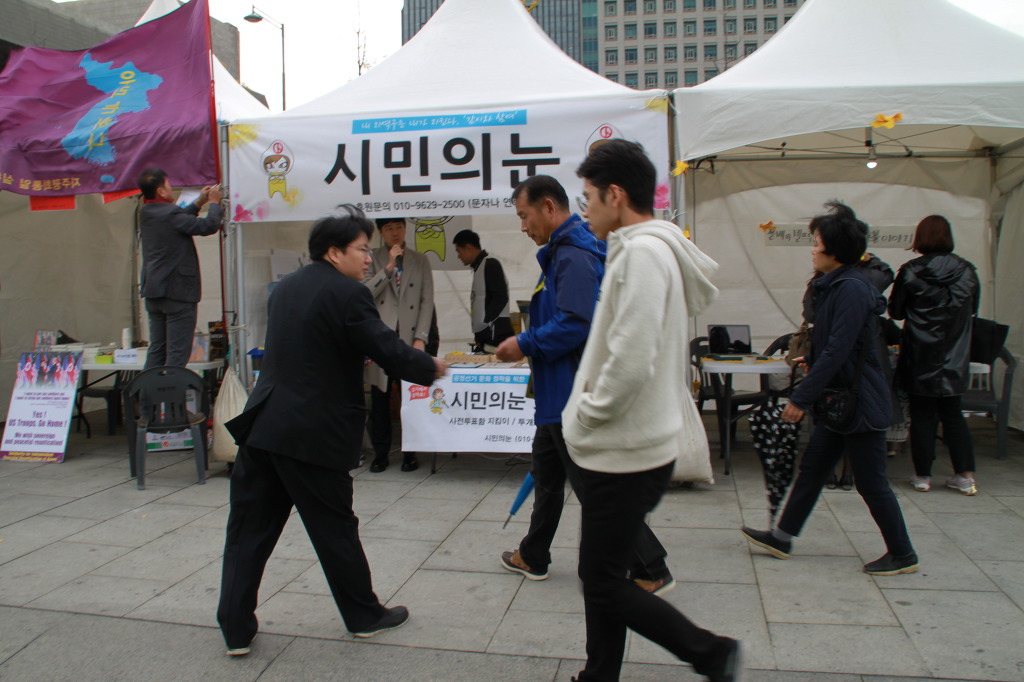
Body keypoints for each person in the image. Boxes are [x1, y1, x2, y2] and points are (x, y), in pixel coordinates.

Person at [217, 206, 446, 656]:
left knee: (248, 530)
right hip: (311, 433)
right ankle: (364, 615)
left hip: (264, 426)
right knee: (335, 529)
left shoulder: (286, 289)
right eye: (361, 249)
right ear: (334, 252)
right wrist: (430, 366)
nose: (368, 258)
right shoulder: (348, 294)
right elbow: (385, 347)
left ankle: (235, 627)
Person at [562, 140, 739, 682]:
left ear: (615, 195)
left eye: (588, 197)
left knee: (601, 581)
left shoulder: (643, 254)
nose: (584, 209)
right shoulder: (643, 249)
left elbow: (631, 358)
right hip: (632, 444)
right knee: (605, 574)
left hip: (624, 447)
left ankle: (710, 652)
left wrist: (587, 413)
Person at [496, 174, 673, 594]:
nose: (523, 227)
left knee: (595, 489)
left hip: (569, 394)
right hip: (555, 394)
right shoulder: (562, 251)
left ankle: (650, 566)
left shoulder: (573, 254)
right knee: (546, 476)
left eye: (524, 215)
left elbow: (576, 324)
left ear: (548, 207)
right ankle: (533, 554)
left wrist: (524, 343)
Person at [742, 201, 918, 578]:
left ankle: (903, 553)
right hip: (840, 403)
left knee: (871, 483)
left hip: (860, 403)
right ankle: (782, 537)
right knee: (812, 469)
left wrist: (801, 398)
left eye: (817, 243)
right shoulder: (838, 286)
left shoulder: (851, 288)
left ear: (834, 251)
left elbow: (840, 349)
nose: (812, 250)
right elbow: (840, 345)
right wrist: (811, 358)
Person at [888, 215, 980, 495]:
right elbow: (973, 309)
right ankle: (965, 476)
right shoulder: (967, 271)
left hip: (919, 353)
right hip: (955, 354)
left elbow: (896, 312)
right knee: (954, 415)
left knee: (922, 416)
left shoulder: (910, 271)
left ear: (920, 238)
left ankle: (922, 476)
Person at [363, 217, 436, 473]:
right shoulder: (371, 257)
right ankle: (381, 453)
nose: (395, 233)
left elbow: (427, 301)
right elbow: (364, 293)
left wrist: (421, 337)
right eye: (388, 228)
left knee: (410, 400)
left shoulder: (420, 259)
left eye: (399, 227)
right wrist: (388, 268)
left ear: (405, 229)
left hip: (409, 337)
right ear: (381, 232)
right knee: (380, 400)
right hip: (381, 338)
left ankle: (410, 453)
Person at [137, 168, 223, 369]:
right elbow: (208, 226)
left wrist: (198, 202)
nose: (171, 189)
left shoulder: (146, 212)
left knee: (157, 349)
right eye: (168, 185)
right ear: (160, 191)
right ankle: (172, 388)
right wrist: (214, 203)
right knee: (178, 353)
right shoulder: (170, 214)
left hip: (154, 290)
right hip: (177, 291)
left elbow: (179, 221)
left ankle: (149, 389)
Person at [452, 229, 515, 352]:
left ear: (468, 248)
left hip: (496, 336)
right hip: (488, 336)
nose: (458, 256)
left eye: (458, 251)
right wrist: (479, 335)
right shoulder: (480, 267)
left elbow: (500, 297)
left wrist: (484, 326)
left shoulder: (490, 264)